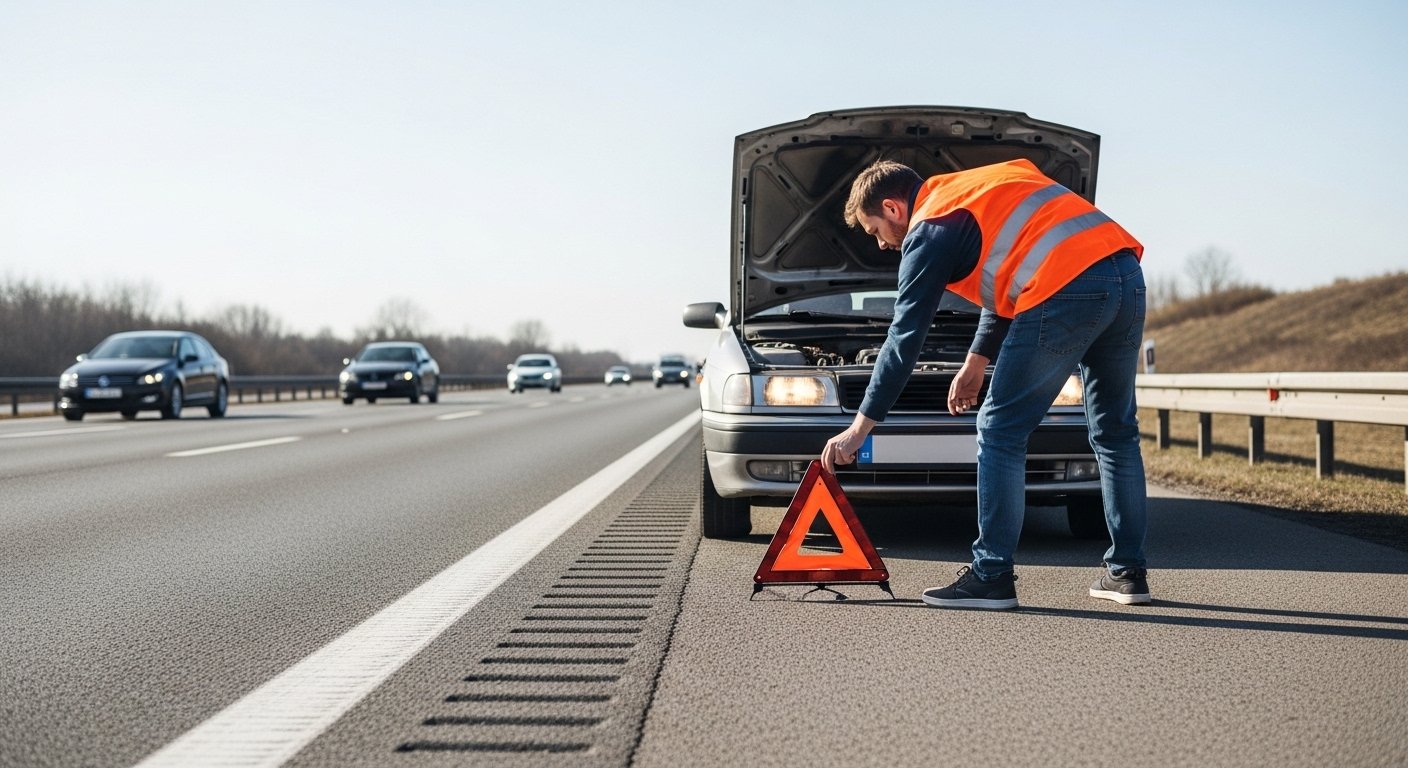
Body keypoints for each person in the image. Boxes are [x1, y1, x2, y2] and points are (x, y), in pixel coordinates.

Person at [820, 158, 1151, 609]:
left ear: (894, 209)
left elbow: (904, 337)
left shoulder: (930, 226)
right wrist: (977, 360)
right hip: (1125, 275)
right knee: (1115, 432)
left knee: (999, 431)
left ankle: (991, 574)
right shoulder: (981, 186)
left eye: (875, 230)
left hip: (1066, 287)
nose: (880, 244)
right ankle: (1127, 574)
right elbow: (1013, 274)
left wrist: (860, 428)